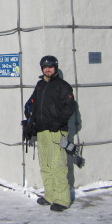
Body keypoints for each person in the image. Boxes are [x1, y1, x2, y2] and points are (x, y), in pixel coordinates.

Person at [24, 55, 77, 212]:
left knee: (57, 165)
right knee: (45, 165)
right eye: (45, 67)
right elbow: (32, 104)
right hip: (42, 131)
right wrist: (29, 122)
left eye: (51, 67)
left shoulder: (63, 86)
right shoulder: (40, 85)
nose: (47, 69)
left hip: (56, 131)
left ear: (55, 68)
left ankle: (62, 199)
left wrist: (58, 122)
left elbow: (69, 107)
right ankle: (50, 195)